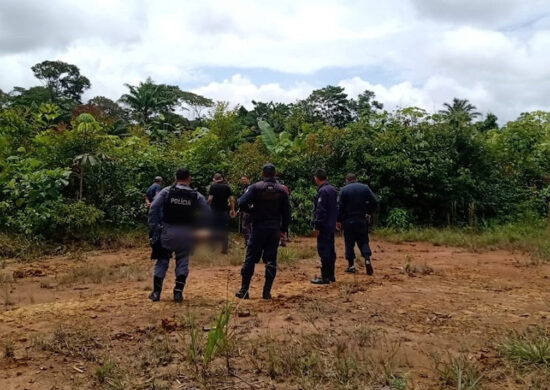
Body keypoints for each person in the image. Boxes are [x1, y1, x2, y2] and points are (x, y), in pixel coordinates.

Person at [147, 168, 209, 302]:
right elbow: (207, 213)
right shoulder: (195, 195)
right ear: (189, 178)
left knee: (162, 261)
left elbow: (153, 208)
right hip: (186, 234)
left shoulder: (167, 191)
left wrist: (154, 227)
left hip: (167, 233)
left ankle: (156, 293)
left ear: (175, 178)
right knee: (182, 262)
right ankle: (178, 293)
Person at [236, 163, 290, 300]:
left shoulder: (255, 187)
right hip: (273, 229)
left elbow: (241, 203)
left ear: (262, 174)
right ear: (275, 173)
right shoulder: (281, 190)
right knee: (271, 260)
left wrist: (253, 211)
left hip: (258, 227)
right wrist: (283, 230)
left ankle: (244, 290)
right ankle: (266, 293)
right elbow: (287, 213)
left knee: (250, 259)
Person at [336, 173, 377, 275]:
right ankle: (367, 259)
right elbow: (374, 201)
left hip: (348, 220)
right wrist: (368, 212)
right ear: (356, 179)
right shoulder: (365, 188)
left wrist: (338, 220)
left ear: (347, 180)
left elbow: (339, 206)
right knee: (363, 241)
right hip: (361, 219)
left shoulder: (343, 190)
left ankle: (351, 266)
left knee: (349, 243)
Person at [311, 168, 338, 285]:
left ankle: (325, 277)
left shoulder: (323, 191)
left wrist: (317, 226)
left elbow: (320, 211)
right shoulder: (332, 190)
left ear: (316, 178)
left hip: (324, 226)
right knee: (331, 250)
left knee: (324, 251)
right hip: (331, 225)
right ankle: (331, 275)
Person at [208, 173, 236, 254]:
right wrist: (232, 209)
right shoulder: (227, 187)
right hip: (224, 212)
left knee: (213, 229)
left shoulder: (213, 186)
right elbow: (231, 199)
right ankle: (224, 249)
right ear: (221, 179)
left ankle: (212, 248)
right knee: (224, 230)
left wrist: (207, 206)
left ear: (214, 179)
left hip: (214, 211)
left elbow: (210, 199)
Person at [238, 175, 251, 247]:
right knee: (246, 226)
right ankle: (247, 242)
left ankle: (248, 243)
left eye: (244, 179)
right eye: (242, 179)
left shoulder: (250, 187)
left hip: (248, 209)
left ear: (247, 179)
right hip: (244, 209)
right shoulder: (243, 188)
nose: (243, 181)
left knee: (245, 226)